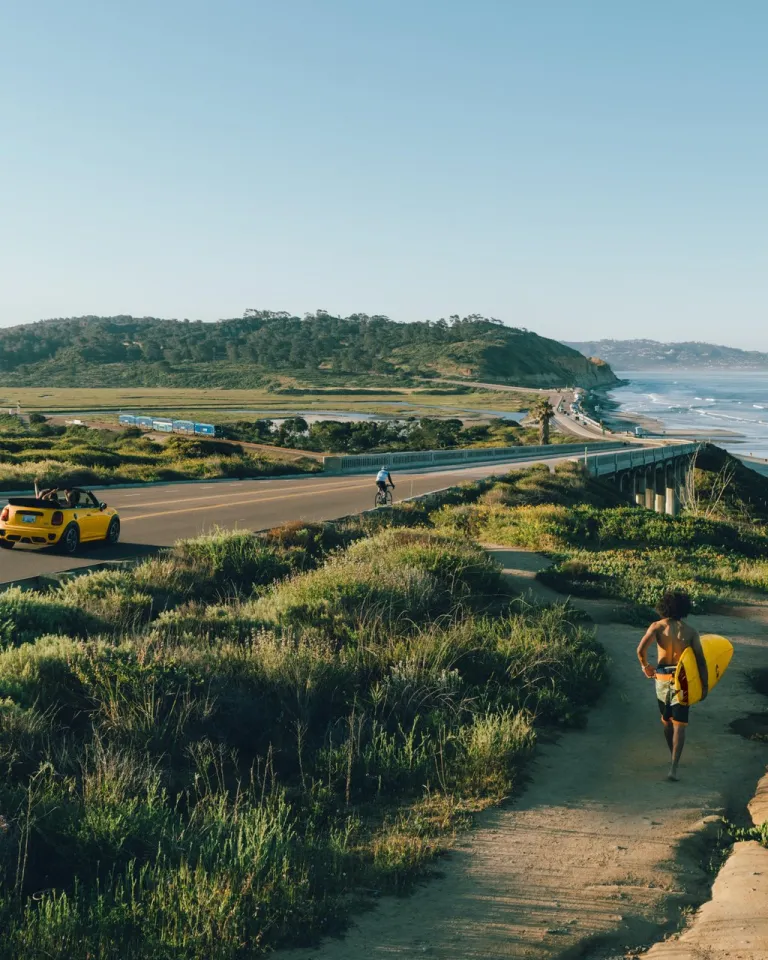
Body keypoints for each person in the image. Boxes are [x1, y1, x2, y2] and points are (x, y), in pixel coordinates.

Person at [636, 591, 708, 781]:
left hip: (662, 678)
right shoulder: (691, 631)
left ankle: (672, 756)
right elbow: (700, 661)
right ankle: (674, 767)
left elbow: (640, 650)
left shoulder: (657, 627)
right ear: (685, 609)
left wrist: (645, 666)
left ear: (664, 606)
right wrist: (704, 685)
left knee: (666, 720)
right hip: (682, 679)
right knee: (680, 725)